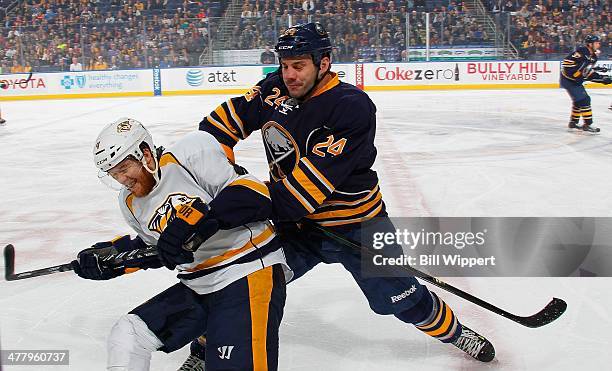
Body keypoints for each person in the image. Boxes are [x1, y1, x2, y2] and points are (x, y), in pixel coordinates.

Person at [189, 22, 495, 369]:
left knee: (403, 300)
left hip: (356, 225)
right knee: (237, 282)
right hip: (297, 227)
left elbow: (301, 193)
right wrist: (226, 177)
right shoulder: (274, 89)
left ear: (324, 63)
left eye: (299, 65)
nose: (289, 74)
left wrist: (239, 201)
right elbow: (214, 130)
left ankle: (456, 333)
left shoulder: (351, 107)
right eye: (284, 64)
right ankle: (204, 350)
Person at [72, 118, 290, 371]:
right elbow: (162, 249)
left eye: (124, 168)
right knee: (128, 335)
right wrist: (115, 259)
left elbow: (255, 194)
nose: (122, 180)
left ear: (144, 154)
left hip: (247, 270)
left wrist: (198, 222)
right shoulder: (129, 203)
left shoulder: (189, 153)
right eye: (114, 174)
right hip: (199, 286)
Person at [561, 34, 611, 132]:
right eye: (596, 43)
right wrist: (577, 75)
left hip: (575, 81)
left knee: (578, 101)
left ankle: (573, 123)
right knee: (585, 100)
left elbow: (587, 72)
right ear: (590, 44)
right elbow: (567, 64)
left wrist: (602, 78)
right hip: (568, 80)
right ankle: (588, 124)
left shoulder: (593, 57)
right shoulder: (582, 52)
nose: (598, 45)